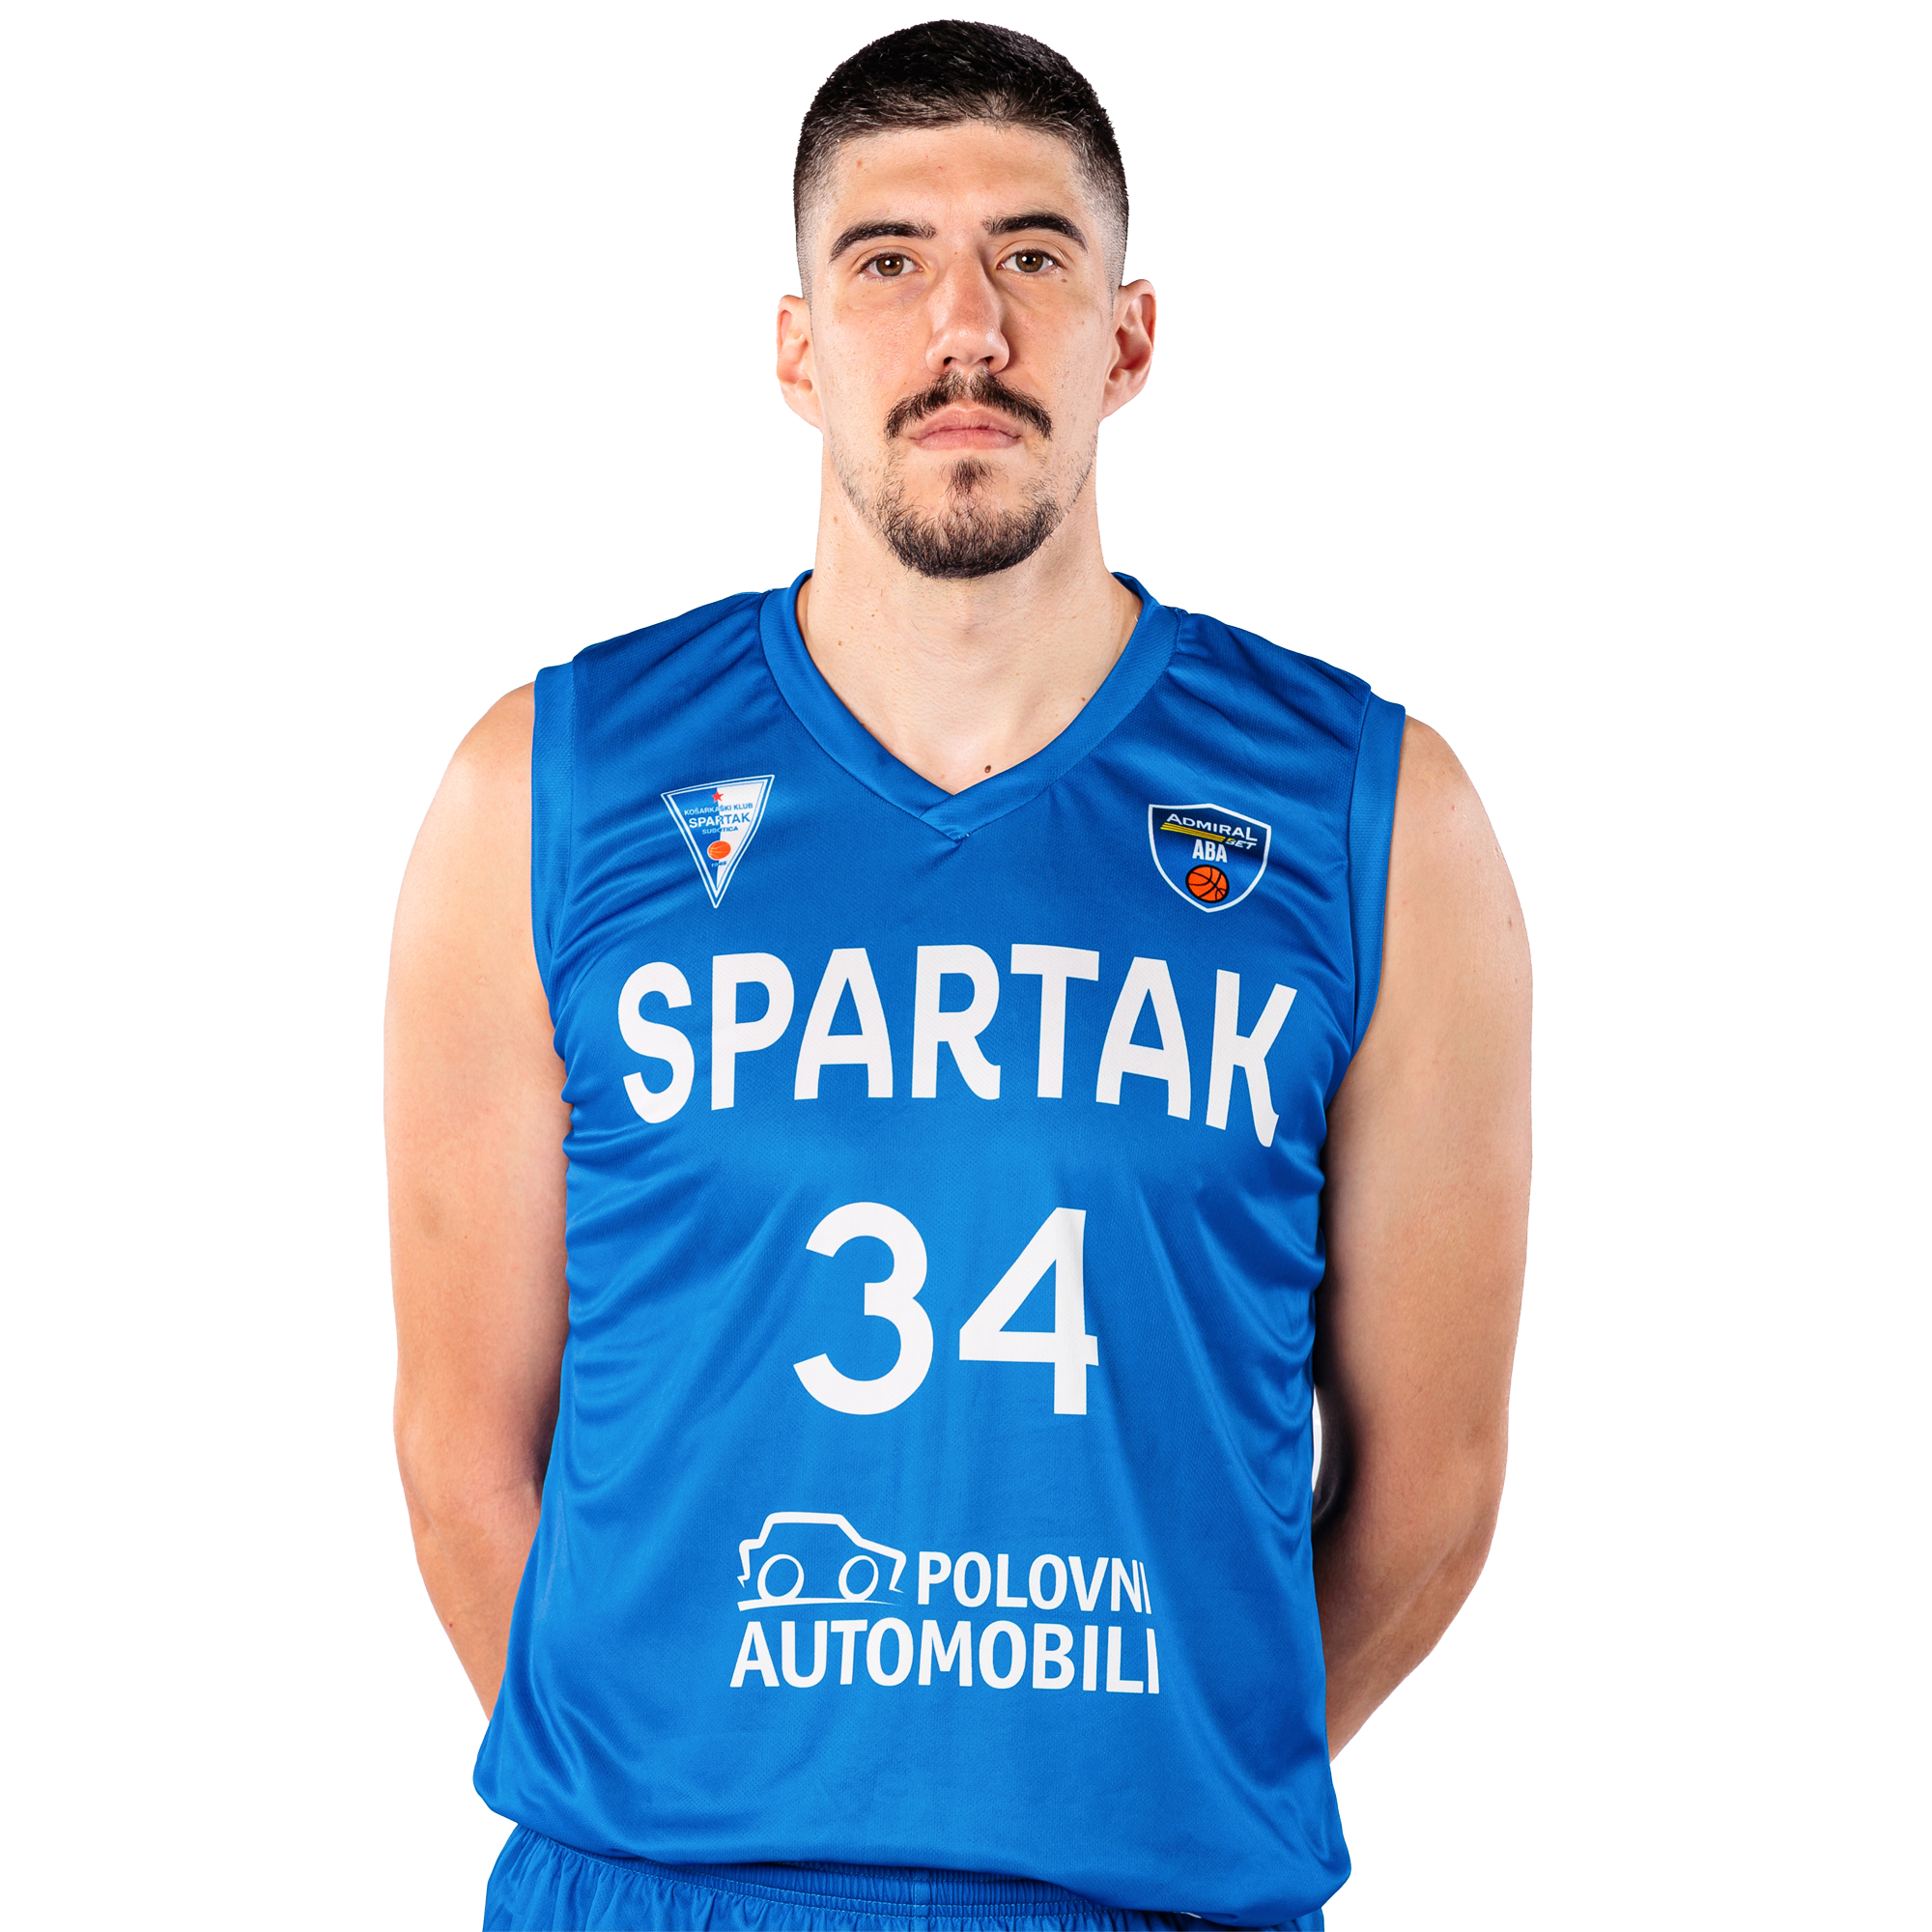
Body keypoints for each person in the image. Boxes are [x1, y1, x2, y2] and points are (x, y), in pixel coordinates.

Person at [386, 19, 1530, 1932]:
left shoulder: (1376, 819)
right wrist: (683, 1807)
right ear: (798, 349)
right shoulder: (547, 787)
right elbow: (456, 1451)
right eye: (889, 261)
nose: (966, 329)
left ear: (1127, 339)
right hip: (660, 1889)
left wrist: (1152, 1790)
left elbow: (1434, 1495)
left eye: (1033, 256)